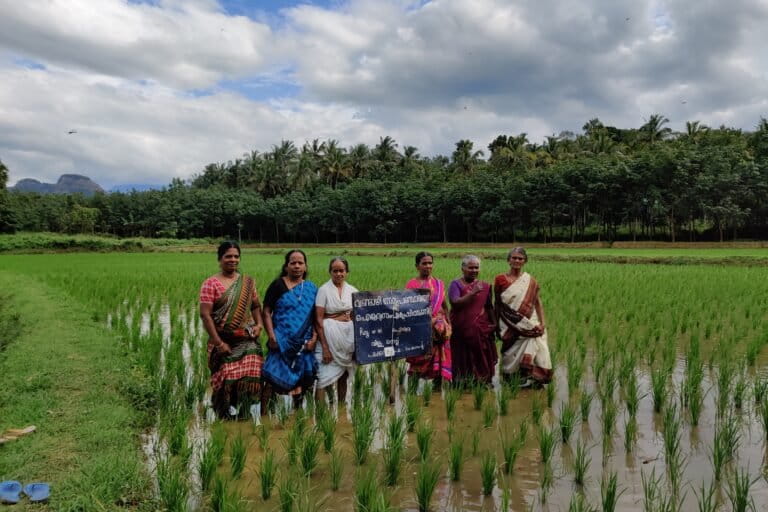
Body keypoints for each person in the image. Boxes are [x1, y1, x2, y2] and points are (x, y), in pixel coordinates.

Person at [199, 241, 264, 419]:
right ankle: (223, 414)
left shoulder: (248, 282)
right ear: (220, 259)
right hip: (223, 340)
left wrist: (259, 325)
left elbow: (256, 307)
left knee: (250, 376)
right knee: (225, 378)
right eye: (228, 256)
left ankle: (244, 414)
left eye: (236, 256)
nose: (233, 260)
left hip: (246, 339)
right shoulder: (210, 284)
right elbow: (206, 316)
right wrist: (219, 343)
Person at [262, 249, 318, 406]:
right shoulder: (277, 285)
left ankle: (297, 417)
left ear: (305, 267)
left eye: (300, 263)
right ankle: (264, 417)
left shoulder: (312, 289)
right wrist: (271, 336)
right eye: (293, 262)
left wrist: (314, 339)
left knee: (301, 383)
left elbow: (316, 317)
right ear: (286, 266)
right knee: (271, 379)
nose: (297, 266)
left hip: (303, 344)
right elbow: (266, 311)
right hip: (280, 341)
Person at [494, 247, 552, 387]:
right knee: (509, 352)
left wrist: (542, 323)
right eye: (514, 257)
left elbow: (538, 303)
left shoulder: (531, 281)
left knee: (534, 346)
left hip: (529, 323)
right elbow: (497, 305)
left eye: (520, 258)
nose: (517, 260)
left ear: (525, 261)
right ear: (508, 260)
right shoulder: (500, 280)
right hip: (508, 325)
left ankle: (531, 379)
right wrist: (496, 325)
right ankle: (510, 378)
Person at [314, 257, 358, 404]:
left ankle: (340, 408)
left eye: (342, 270)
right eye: (335, 271)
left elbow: (356, 316)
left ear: (347, 272)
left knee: (343, 376)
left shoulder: (353, 291)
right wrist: (325, 348)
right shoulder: (323, 290)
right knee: (322, 378)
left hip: (346, 343)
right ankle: (320, 415)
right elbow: (318, 320)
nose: (339, 274)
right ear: (330, 272)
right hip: (328, 342)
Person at [448, 255, 498, 386]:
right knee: (461, 355)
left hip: (480, 329)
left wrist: (494, 324)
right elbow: (455, 303)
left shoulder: (484, 286)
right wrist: (472, 293)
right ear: (463, 268)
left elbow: (488, 306)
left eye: (476, 267)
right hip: (461, 329)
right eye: (471, 267)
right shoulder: (456, 284)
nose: (474, 270)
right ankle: (461, 381)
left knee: (481, 354)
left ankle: (483, 380)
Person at [405, 251, 452, 389]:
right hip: (421, 329)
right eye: (424, 263)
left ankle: (436, 393)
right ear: (417, 266)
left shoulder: (439, 283)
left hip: (439, 331)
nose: (428, 266)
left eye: (430, 263)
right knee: (417, 362)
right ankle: (412, 395)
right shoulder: (412, 284)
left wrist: (448, 324)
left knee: (439, 361)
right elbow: (408, 309)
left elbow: (444, 305)